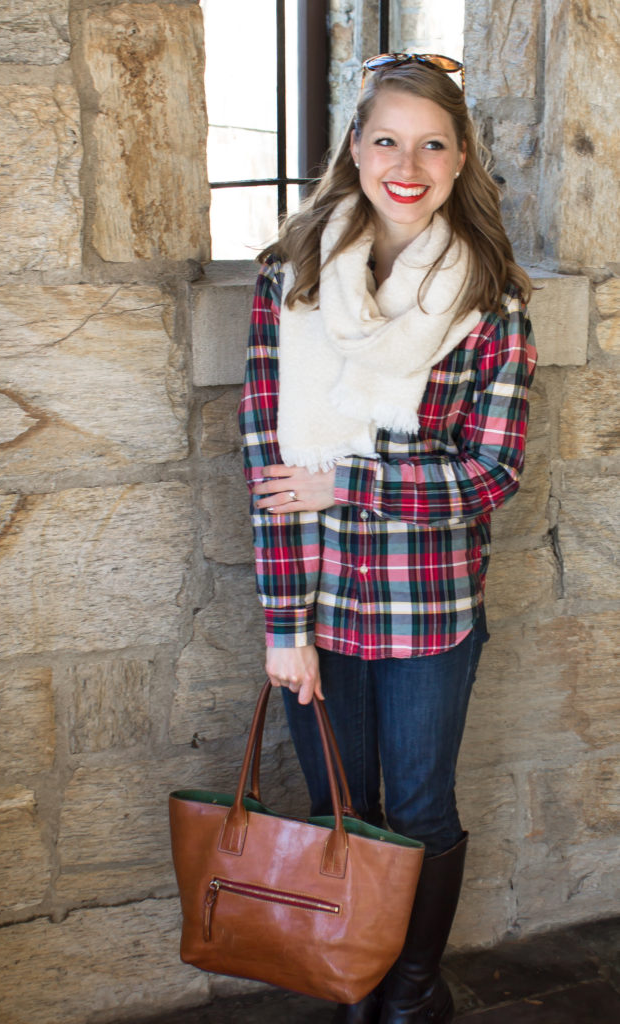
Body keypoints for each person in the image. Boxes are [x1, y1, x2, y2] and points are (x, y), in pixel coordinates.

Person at [239, 52, 536, 1024]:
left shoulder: (490, 302)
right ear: (354, 150)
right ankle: (355, 981)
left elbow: (488, 473)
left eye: (430, 144)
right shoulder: (289, 283)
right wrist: (284, 625)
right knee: (338, 816)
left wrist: (346, 482)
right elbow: (266, 469)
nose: (405, 163)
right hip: (315, 606)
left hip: (427, 612)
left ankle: (410, 994)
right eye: (385, 139)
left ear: (458, 160)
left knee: (415, 813)